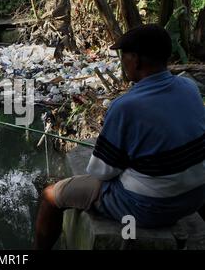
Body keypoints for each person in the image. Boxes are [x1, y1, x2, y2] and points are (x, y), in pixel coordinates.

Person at [34, 24, 205, 250]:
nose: (122, 61)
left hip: (149, 207)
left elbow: (100, 172)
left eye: (124, 55)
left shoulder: (125, 107)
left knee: (50, 196)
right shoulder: (189, 86)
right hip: (196, 196)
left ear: (136, 60)